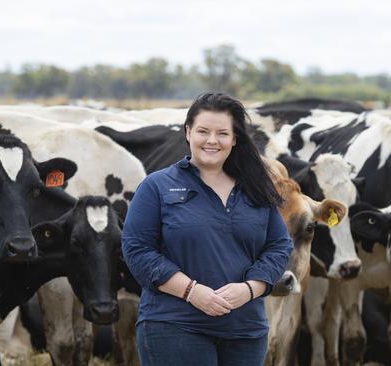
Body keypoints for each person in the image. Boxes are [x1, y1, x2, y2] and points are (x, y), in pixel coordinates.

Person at [122, 92, 293, 366]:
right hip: (175, 326)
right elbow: (137, 250)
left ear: (234, 139)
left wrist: (250, 288)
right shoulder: (157, 186)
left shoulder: (256, 187)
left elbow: (279, 245)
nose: (212, 140)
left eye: (222, 133)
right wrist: (191, 291)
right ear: (188, 133)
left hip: (246, 331)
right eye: (203, 131)